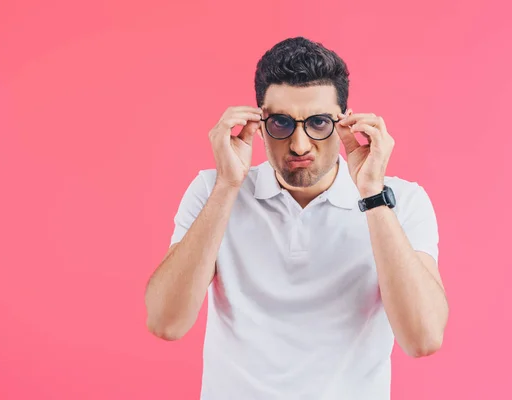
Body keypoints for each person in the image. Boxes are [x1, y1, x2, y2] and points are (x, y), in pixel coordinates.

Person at [144, 37, 449, 400]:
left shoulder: (403, 201)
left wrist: (372, 194)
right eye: (282, 123)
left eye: (319, 122)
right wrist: (227, 185)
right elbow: (166, 323)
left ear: (344, 121)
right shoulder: (213, 189)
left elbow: (423, 338)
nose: (300, 145)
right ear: (259, 121)